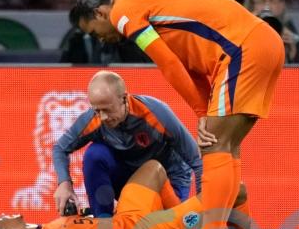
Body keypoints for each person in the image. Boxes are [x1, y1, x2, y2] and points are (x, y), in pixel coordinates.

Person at [70, 0, 285, 229]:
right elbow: (187, 65)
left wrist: (200, 113)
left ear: (100, 13)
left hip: (241, 50)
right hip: (261, 44)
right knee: (227, 149)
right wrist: (206, 109)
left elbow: (167, 63)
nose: (100, 39)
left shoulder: (123, 12)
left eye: (94, 32)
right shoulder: (142, 0)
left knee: (214, 147)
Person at [0, 159, 282, 229]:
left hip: (127, 218)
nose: (2, 214)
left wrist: (88, 212)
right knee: (235, 190)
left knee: (153, 169)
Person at [52, 71, 202, 218]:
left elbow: (196, 159)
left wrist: (206, 205)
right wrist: (64, 183)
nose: (103, 117)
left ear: (124, 98)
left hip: (168, 179)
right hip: (127, 181)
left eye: (107, 110)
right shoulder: (93, 119)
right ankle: (103, 225)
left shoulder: (156, 113)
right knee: (94, 154)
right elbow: (60, 148)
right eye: (97, 110)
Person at [243, 0, 299, 64]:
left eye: (272, 1)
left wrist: (292, 55)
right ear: (251, 5)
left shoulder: (291, 35)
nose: (267, 7)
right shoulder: (240, 32)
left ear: (281, 5)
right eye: (262, 1)